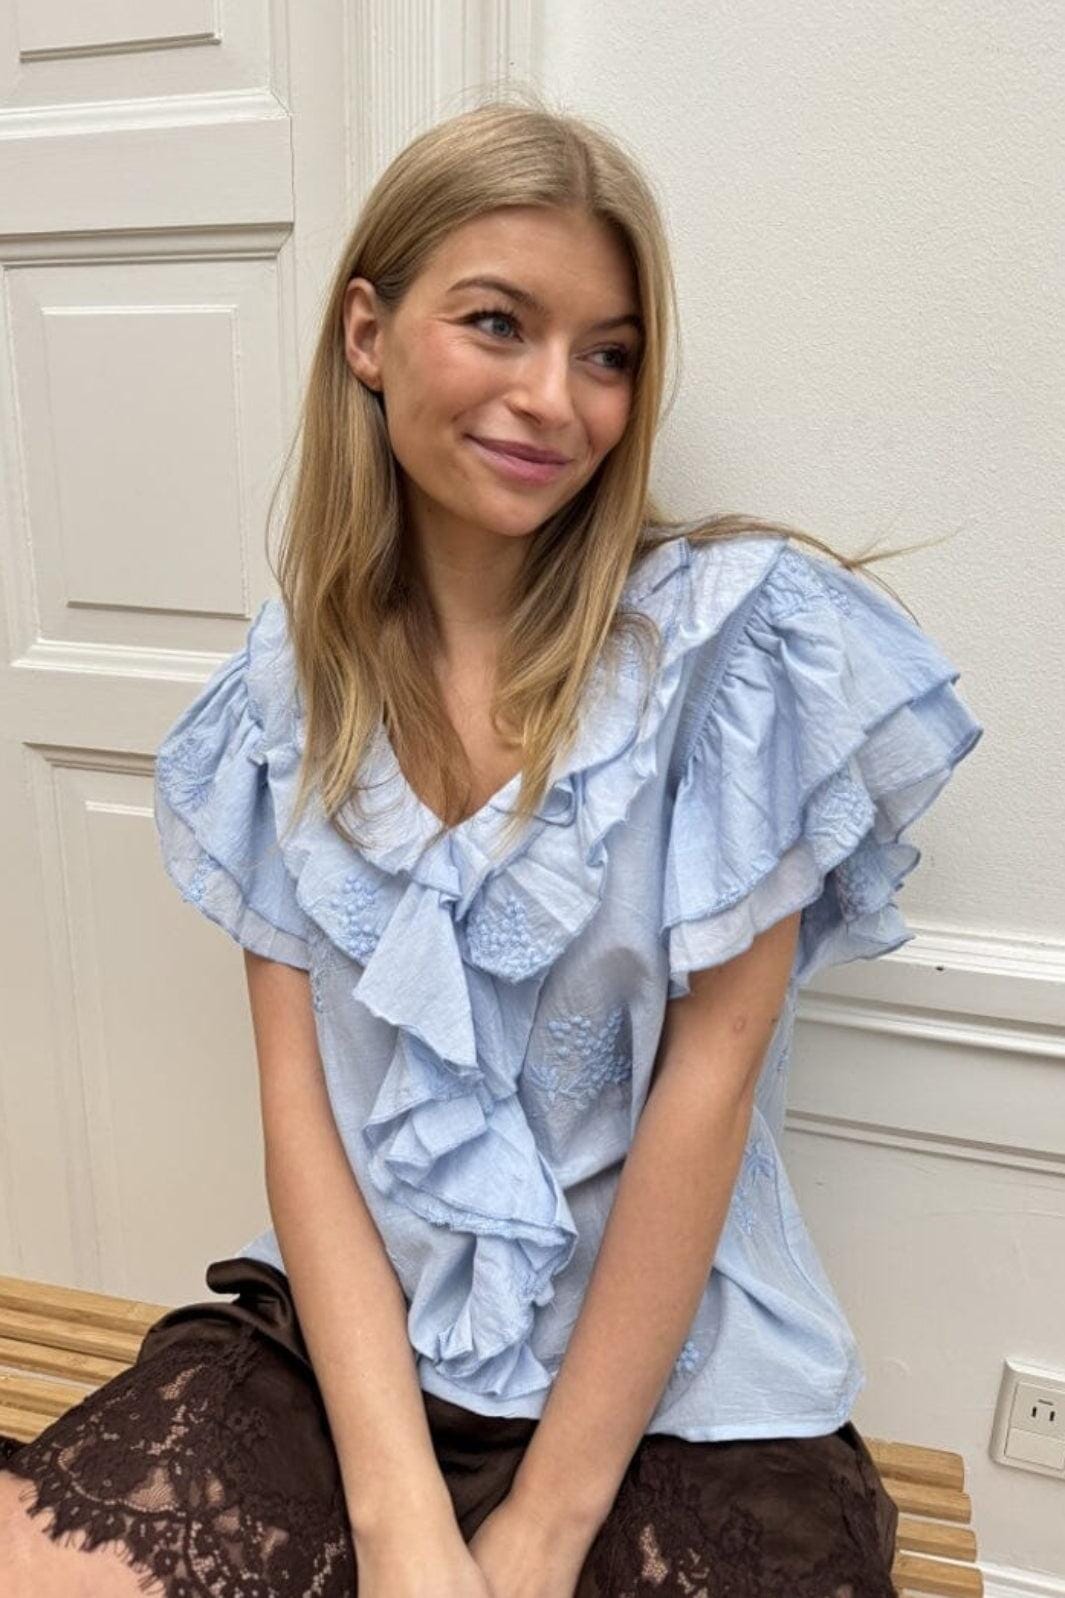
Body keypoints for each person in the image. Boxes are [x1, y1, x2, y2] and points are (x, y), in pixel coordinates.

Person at [0, 89, 983, 1597]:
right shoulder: (278, 704)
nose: (554, 399)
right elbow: (304, 1117)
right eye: (498, 323)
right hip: (356, 1352)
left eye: (608, 354)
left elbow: (705, 1098)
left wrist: (536, 1532)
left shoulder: (739, 654)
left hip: (676, 1380)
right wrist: (400, 1518)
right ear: (367, 333)